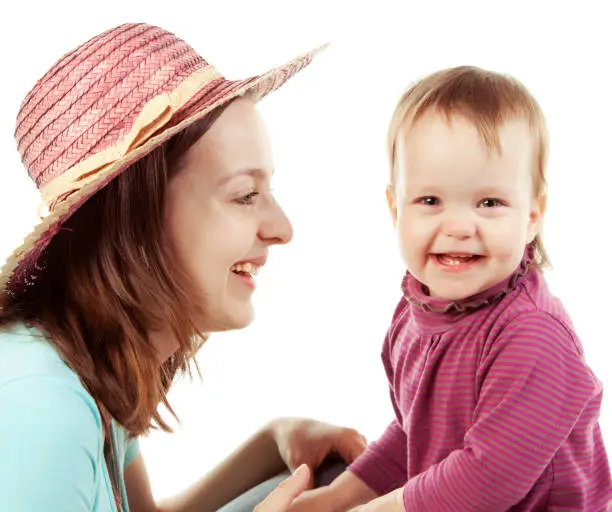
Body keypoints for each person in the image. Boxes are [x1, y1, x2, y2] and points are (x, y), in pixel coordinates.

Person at [0, 23, 368, 512]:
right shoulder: (41, 406)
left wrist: (271, 442)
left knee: (334, 479)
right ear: (137, 221)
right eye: (244, 196)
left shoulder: (90, 358)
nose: (282, 228)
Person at [279, 67, 612, 510]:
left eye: (489, 203)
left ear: (532, 215)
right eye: (430, 201)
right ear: (395, 207)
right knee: (304, 484)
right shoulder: (417, 309)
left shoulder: (534, 337)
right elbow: (412, 436)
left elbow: (483, 482)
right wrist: (335, 498)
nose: (457, 227)